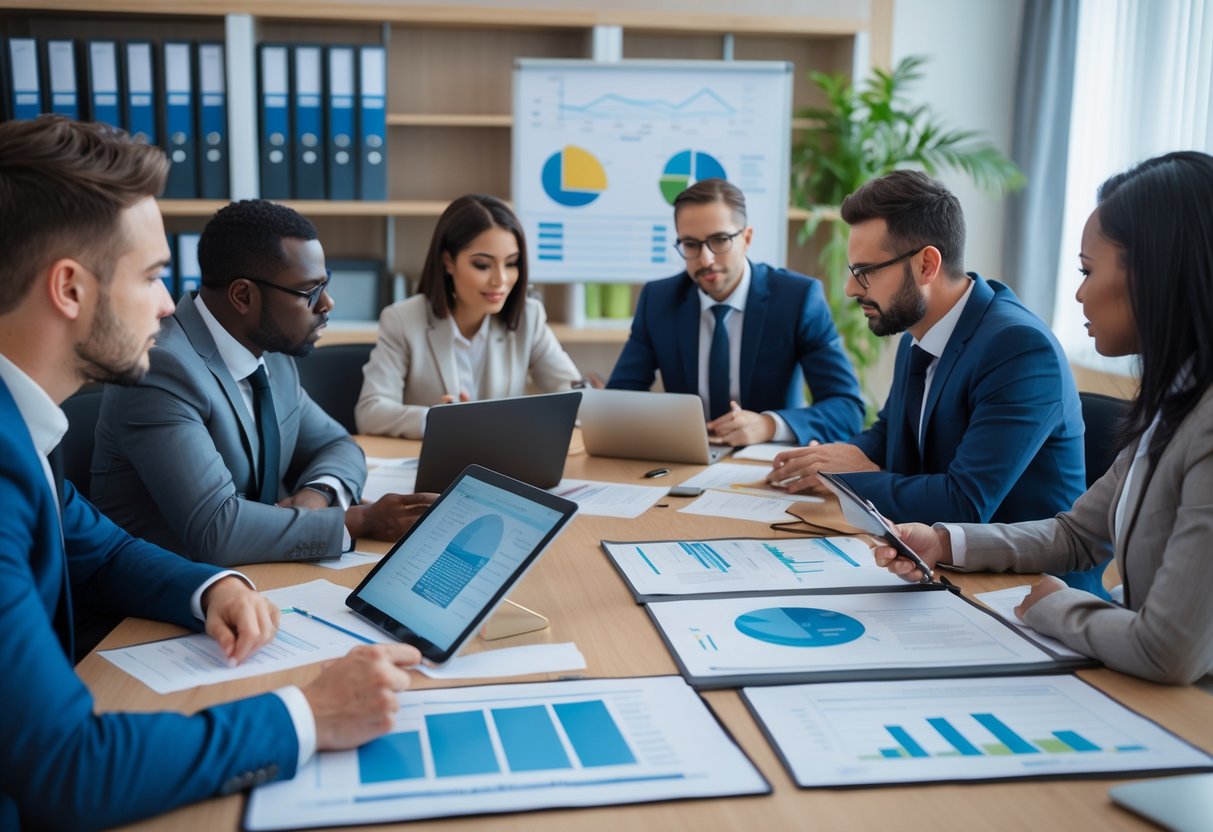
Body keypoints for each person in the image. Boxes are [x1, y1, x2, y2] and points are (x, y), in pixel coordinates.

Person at [0, 115, 420, 830]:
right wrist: (310, 714)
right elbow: (69, 769)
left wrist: (211, 585)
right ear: (70, 289)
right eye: (153, 276)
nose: (169, 304)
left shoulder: (23, 429)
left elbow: (94, 545)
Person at [875, 151, 1213, 686]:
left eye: (1088, 270)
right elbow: (1080, 535)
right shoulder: (1176, 400)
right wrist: (944, 542)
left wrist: (1057, 607)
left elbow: (1167, 649)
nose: (1078, 292)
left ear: (1156, 275)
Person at [91, 199, 435, 566]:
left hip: (252, 578)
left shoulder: (271, 349)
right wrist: (358, 519)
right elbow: (217, 530)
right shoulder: (160, 368)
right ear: (243, 296)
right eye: (310, 292)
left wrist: (316, 496)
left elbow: (338, 444)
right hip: (154, 600)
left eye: (326, 284)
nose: (328, 303)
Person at [767, 170, 1085, 526]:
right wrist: (830, 460)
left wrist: (853, 479)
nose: (850, 289)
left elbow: (964, 503)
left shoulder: (1019, 349)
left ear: (926, 265)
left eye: (865, 272)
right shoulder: (917, 337)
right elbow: (890, 432)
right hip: (936, 558)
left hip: (1027, 578)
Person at [606, 178, 863, 446]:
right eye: (691, 245)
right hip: (685, 462)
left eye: (719, 240)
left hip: (766, 463)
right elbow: (619, 400)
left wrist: (769, 425)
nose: (705, 259)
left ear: (747, 238)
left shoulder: (797, 298)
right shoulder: (658, 300)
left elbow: (847, 409)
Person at [355, 194, 582, 439]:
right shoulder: (403, 319)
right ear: (448, 261)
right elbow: (370, 413)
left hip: (504, 463)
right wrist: (438, 419)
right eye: (483, 265)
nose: (501, 280)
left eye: (511, 263)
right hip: (431, 465)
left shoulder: (529, 316)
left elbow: (575, 398)